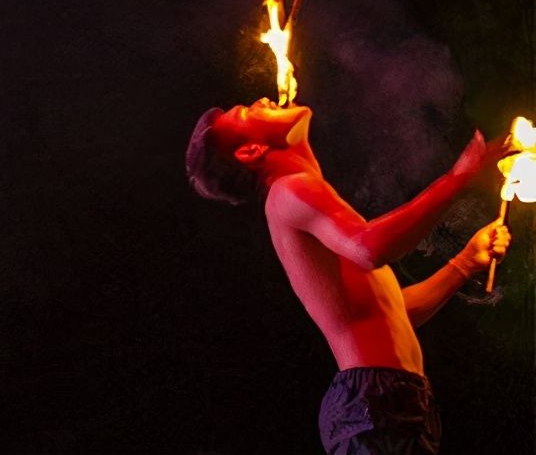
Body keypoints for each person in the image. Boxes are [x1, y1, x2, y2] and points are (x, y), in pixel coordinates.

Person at [186, 98, 511, 454]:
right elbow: (370, 248)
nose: (262, 100)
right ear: (251, 150)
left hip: (386, 401)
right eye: (247, 112)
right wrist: (459, 178)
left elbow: (392, 314)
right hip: (376, 402)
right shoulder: (289, 190)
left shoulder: (301, 196)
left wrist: (464, 264)